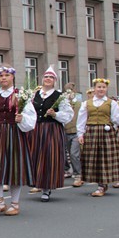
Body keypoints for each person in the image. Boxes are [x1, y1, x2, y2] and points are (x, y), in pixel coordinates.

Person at [0, 66, 36, 216]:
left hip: (15, 134)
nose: (3, 78)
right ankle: (0, 202)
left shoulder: (21, 96)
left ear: (12, 77)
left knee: (14, 169)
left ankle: (15, 204)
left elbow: (32, 118)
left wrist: (22, 118)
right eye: (0, 75)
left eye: (6, 75)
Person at [28, 67, 74, 202]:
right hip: (36, 129)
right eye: (46, 77)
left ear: (55, 81)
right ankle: (38, 182)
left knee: (49, 157)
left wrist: (55, 114)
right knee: (35, 156)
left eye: (51, 77)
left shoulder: (59, 96)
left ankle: (47, 188)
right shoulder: (34, 95)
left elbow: (68, 115)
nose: (48, 79)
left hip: (52, 130)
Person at [76, 78, 119, 197]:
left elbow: (116, 120)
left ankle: (102, 185)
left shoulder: (112, 103)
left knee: (105, 158)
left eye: (103, 87)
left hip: (106, 132)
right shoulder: (86, 103)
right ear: (94, 89)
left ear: (106, 89)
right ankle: (99, 182)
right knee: (93, 158)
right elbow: (81, 120)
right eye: (99, 87)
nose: (101, 89)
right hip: (91, 131)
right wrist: (80, 134)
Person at [62, 83, 83, 187]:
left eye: (70, 91)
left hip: (75, 132)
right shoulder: (63, 104)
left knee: (74, 153)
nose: (69, 94)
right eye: (67, 91)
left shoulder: (79, 104)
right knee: (67, 153)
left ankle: (78, 174)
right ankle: (68, 170)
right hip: (65, 131)